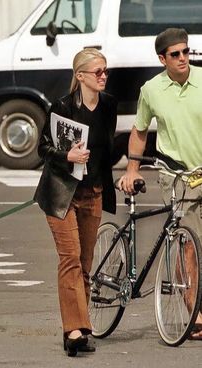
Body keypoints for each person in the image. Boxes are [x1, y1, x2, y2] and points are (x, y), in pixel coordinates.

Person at [118, 27, 202, 340]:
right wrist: (132, 169)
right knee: (189, 244)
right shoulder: (152, 90)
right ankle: (195, 313)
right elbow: (140, 132)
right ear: (162, 58)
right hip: (176, 175)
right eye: (175, 54)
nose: (183, 58)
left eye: (186, 52)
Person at [34, 48, 117, 356]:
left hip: (92, 192)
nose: (104, 76)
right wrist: (66, 155)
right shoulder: (63, 106)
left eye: (106, 71)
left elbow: (107, 149)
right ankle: (74, 331)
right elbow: (41, 148)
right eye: (98, 72)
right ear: (80, 76)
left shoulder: (109, 105)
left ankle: (80, 326)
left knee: (84, 263)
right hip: (62, 194)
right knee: (69, 257)